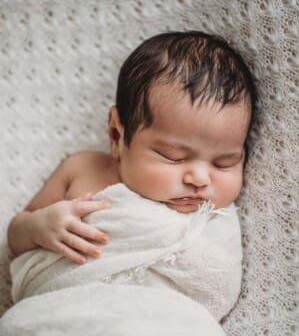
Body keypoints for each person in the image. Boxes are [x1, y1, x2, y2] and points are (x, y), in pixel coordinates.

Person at [7, 30, 256, 266]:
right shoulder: (82, 169)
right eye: (174, 157)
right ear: (117, 135)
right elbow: (16, 235)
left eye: (224, 162)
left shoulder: (212, 216)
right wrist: (38, 227)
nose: (200, 179)